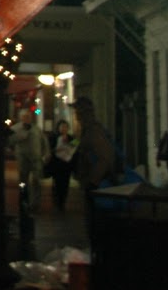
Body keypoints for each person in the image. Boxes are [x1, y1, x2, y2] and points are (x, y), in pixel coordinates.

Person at [71, 96, 117, 240]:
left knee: (96, 224)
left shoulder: (93, 131)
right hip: (94, 184)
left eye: (77, 111)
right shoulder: (87, 130)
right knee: (94, 223)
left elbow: (105, 157)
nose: (76, 115)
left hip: (96, 185)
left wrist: (93, 181)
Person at [14, 114, 50, 212]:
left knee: (37, 181)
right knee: (23, 181)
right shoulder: (16, 128)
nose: (27, 119)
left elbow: (44, 141)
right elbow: (10, 140)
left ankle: (35, 203)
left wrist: (46, 153)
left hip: (36, 159)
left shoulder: (36, 129)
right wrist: (20, 137)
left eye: (28, 117)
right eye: (25, 117)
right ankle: (23, 199)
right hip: (23, 160)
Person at [47, 118, 77, 210]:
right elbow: (50, 149)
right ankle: (56, 201)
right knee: (57, 183)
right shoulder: (54, 137)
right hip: (56, 164)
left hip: (67, 165)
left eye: (65, 127)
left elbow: (75, 148)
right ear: (58, 128)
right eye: (62, 127)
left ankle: (62, 202)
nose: (64, 129)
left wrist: (68, 143)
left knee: (65, 183)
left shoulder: (72, 138)